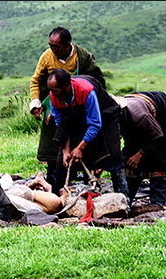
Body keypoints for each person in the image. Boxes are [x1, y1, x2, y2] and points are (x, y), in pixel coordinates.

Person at [29, 26, 106, 191]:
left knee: (85, 141)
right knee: (55, 142)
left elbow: (97, 79)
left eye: (55, 46)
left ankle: (88, 183)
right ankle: (56, 183)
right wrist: (36, 102)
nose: (52, 49)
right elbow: (36, 80)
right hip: (55, 106)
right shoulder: (46, 57)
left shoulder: (82, 57)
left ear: (66, 45)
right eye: (50, 45)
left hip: (81, 105)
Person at [47, 68, 129, 202]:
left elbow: (95, 123)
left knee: (112, 155)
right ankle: (58, 201)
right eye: (51, 90)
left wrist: (80, 147)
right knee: (62, 161)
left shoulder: (86, 92)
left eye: (55, 90)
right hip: (76, 117)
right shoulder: (54, 97)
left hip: (105, 116)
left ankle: (124, 199)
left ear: (67, 86)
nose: (52, 93)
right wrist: (66, 150)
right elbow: (61, 124)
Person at [113, 92, 166, 207]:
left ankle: (158, 203)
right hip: (143, 116)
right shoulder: (112, 117)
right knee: (129, 156)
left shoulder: (140, 116)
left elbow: (157, 136)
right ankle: (126, 199)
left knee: (160, 157)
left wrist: (140, 154)